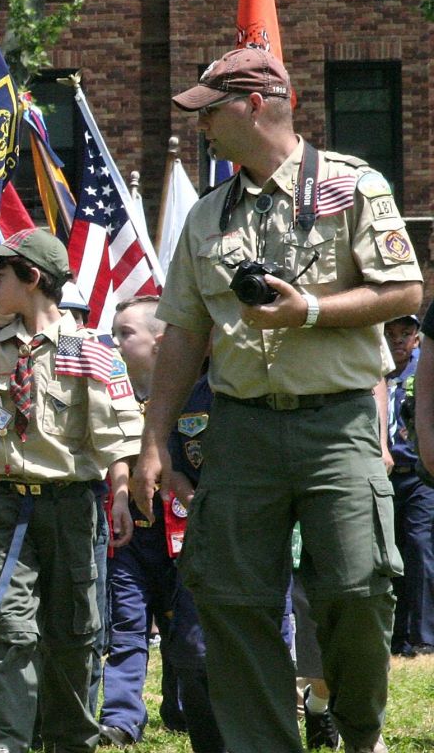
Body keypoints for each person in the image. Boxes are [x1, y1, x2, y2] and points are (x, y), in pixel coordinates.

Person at [135, 49, 423, 753]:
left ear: (256, 105)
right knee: (231, 599)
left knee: (359, 587)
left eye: (210, 110)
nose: (201, 124)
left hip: (339, 422)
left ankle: (358, 728)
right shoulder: (207, 216)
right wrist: (152, 440)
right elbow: (183, 334)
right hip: (240, 429)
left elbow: (405, 291)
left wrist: (309, 311)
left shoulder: (354, 186)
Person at [0, 229, 141, 753]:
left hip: (72, 507)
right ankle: (4, 742)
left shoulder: (85, 348)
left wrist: (119, 494)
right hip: (8, 508)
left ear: (32, 278)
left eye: (0, 274)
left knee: (74, 632)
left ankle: (70, 740)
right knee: (10, 628)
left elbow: (116, 437)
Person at [98, 296, 221, 751]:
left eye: (125, 333)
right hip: (134, 532)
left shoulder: (200, 392)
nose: (114, 342)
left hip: (186, 532)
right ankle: (121, 717)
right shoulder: (112, 394)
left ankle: (182, 705)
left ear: (160, 341)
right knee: (126, 624)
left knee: (181, 625)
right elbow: (112, 450)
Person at [385, 313, 432, 656]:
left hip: (418, 474)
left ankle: (424, 637)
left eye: (405, 333)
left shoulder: (422, 374)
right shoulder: (373, 372)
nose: (398, 340)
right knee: (391, 554)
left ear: (417, 337)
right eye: (390, 333)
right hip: (385, 478)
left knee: (419, 546)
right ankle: (396, 636)